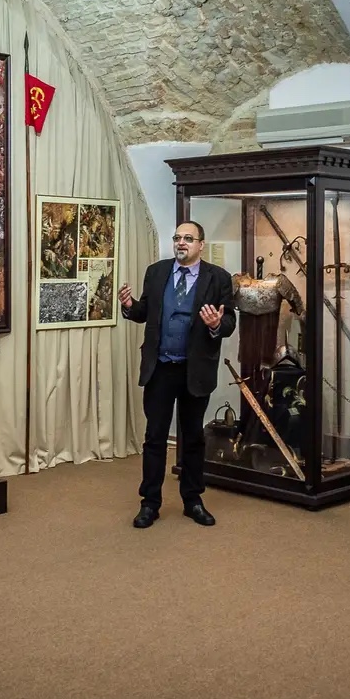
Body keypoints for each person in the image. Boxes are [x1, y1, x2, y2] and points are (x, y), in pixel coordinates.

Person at [118, 220, 236, 528]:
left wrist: (215, 324)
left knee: (193, 437)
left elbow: (229, 323)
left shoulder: (218, 278)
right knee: (155, 437)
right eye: (177, 238)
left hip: (195, 370)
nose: (181, 243)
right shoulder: (156, 272)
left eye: (188, 238)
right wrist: (129, 306)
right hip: (159, 369)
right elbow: (144, 312)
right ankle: (150, 503)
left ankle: (193, 500)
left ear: (201, 245)